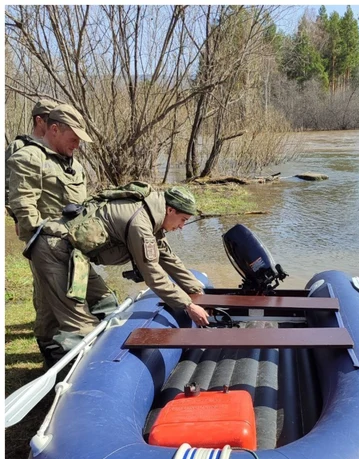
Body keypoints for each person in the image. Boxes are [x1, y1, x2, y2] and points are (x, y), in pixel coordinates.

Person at [29, 186, 210, 361]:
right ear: (170, 210)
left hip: (72, 254)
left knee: (104, 301)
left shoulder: (150, 215)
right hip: (54, 251)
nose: (182, 226)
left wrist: (196, 289)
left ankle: (60, 351)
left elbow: (168, 258)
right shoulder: (140, 223)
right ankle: (68, 371)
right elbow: (153, 274)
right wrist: (187, 305)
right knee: (79, 323)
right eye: (183, 220)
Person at [6, 102, 116, 367]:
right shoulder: (29, 158)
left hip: (74, 247)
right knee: (62, 309)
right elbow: (24, 207)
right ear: (54, 129)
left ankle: (55, 357)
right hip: (48, 246)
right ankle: (59, 360)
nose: (77, 145)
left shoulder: (74, 164)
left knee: (63, 302)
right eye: (73, 138)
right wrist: (54, 231)